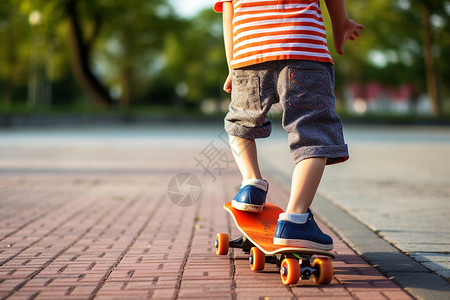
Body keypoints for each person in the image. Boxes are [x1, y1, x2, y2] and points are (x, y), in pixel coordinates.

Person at [214, 0, 363, 251]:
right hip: (303, 47)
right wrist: (341, 24)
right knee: (314, 134)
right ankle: (295, 219)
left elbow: (228, 14)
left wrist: (233, 66)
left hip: (248, 53)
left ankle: (251, 183)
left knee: (240, 123)